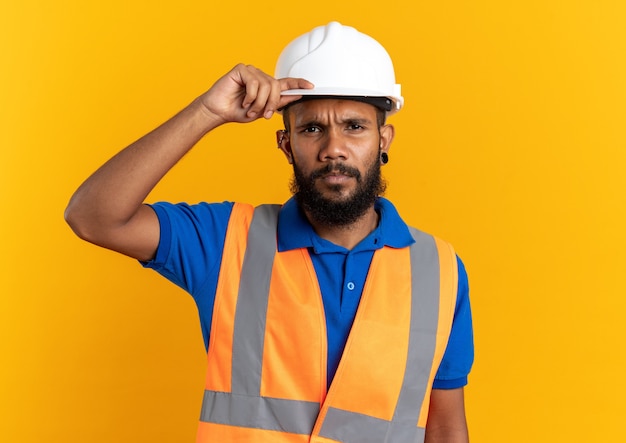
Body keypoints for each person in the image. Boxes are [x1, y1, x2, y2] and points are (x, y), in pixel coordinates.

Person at [65, 22, 473, 443]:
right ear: (285, 144)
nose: (334, 147)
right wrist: (208, 111)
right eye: (312, 128)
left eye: (354, 126)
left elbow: (444, 427)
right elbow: (93, 217)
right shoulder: (226, 243)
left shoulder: (439, 271)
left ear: (384, 139)